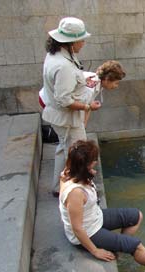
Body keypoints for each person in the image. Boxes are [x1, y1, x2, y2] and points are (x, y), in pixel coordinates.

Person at [59, 140, 145, 267]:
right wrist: (95, 251)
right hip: (89, 232)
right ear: (85, 165)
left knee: (137, 216)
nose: (96, 162)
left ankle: (118, 247)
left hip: (95, 217)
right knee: (137, 246)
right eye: (93, 160)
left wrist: (88, 174)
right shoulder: (75, 193)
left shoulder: (70, 172)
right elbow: (77, 228)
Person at [41, 17, 101, 197]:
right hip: (67, 119)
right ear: (71, 41)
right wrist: (88, 106)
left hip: (59, 117)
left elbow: (66, 85)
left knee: (64, 149)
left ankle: (59, 187)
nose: (83, 43)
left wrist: (83, 79)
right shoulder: (63, 65)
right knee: (80, 155)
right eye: (81, 40)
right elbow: (64, 100)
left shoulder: (56, 55)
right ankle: (77, 192)